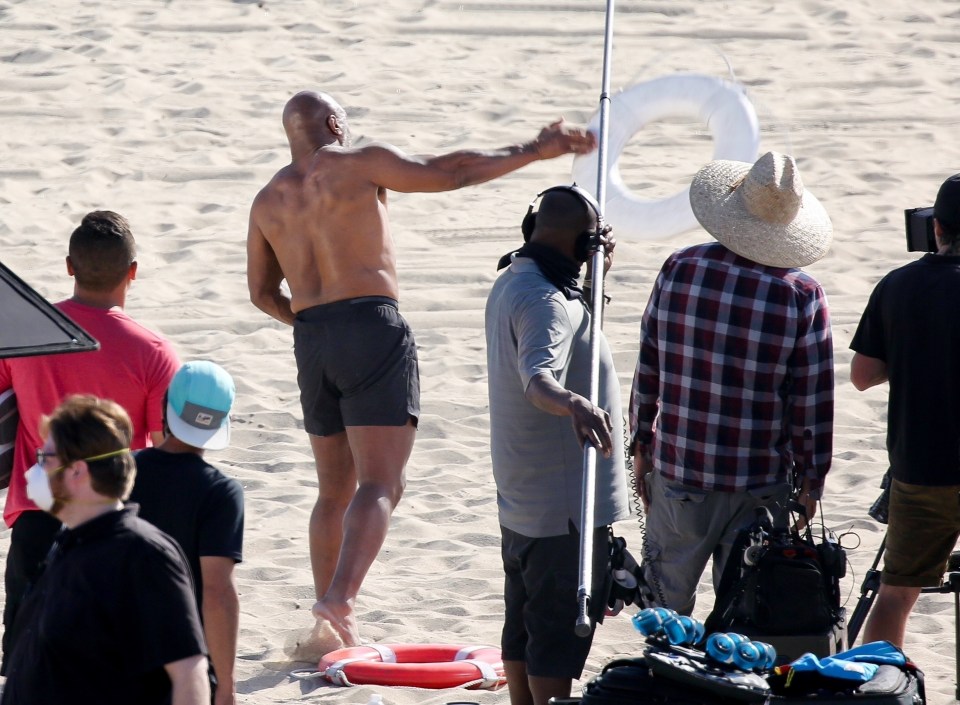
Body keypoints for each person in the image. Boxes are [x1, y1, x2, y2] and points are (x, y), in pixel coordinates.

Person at [245, 90, 597, 647]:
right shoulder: (355, 162)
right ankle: (339, 600)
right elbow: (451, 172)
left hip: (312, 339)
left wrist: (315, 328)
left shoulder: (267, 200)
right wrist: (535, 149)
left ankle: (329, 624)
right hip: (370, 326)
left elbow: (261, 293)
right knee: (381, 482)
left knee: (331, 490)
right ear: (335, 123)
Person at [628, 151, 835, 616]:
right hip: (758, 480)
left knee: (663, 612)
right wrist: (811, 482)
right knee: (744, 620)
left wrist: (641, 441)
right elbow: (812, 402)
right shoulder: (802, 296)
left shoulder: (680, 268)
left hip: (682, 469)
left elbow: (649, 369)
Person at [0, 210, 180, 671]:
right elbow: (162, 448)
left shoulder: (26, 335)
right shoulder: (154, 351)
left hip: (37, 509)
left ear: (69, 266)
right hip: (110, 521)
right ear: (132, 272)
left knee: (23, 663)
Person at [485, 185, 630, 705]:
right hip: (564, 503)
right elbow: (538, 379)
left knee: (523, 620)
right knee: (554, 632)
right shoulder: (546, 300)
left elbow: (572, 329)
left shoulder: (517, 279)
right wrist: (575, 404)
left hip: (526, 495)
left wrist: (596, 274)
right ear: (580, 243)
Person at [1, 395, 209, 705]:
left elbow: (189, 671)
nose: (35, 470)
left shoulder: (143, 555)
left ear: (77, 471)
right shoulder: (68, 543)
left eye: (45, 459)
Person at [852, 174, 960, 648]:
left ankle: (881, 687)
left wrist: (918, 357)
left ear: (936, 228)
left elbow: (862, 375)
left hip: (922, 467)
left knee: (895, 593)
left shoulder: (898, 285)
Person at [129, 361, 244, 705]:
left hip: (109, 649)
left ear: (165, 405)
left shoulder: (119, 472)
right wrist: (226, 684)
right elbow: (217, 592)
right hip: (182, 659)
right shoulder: (220, 493)